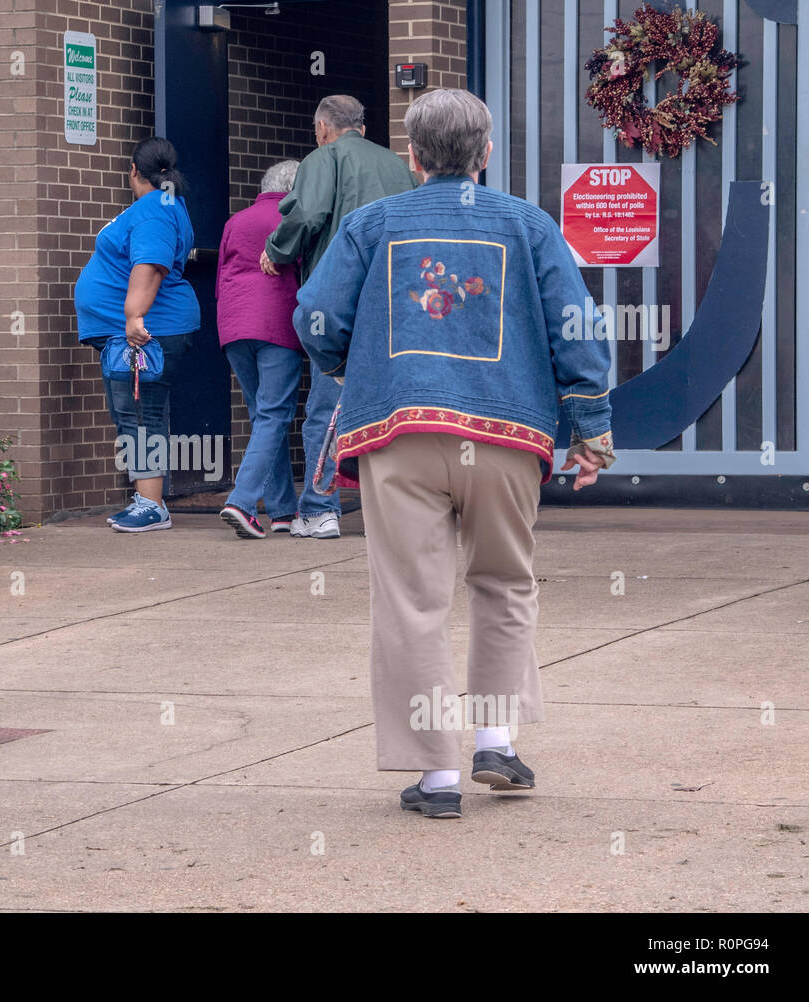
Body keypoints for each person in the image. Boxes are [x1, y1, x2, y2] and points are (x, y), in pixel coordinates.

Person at [293, 88, 617, 819]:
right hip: (506, 433)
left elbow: (315, 315)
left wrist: (353, 363)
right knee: (504, 582)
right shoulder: (529, 225)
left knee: (412, 601)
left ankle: (437, 780)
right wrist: (590, 429)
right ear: (486, 152)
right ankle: (496, 741)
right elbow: (578, 327)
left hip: (399, 433)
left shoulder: (371, 224)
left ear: (413, 156)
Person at [261, 94, 416, 539]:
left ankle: (319, 506)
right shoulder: (396, 165)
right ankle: (394, 511)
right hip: (396, 304)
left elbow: (307, 214)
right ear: (363, 129)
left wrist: (276, 250)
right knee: (392, 409)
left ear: (322, 129)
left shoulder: (322, 158)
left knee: (327, 408)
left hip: (340, 303)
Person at [74, 137, 201, 532]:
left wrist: (133, 316)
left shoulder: (154, 209)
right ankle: (149, 500)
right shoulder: (163, 205)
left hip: (146, 331)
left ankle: (150, 504)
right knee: (138, 411)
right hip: (142, 330)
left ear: (133, 170)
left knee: (139, 412)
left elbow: (150, 265)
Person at [215, 160, 304, 539]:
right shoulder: (294, 218)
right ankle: (242, 501)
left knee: (264, 417)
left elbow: (221, 273)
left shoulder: (236, 221)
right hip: (275, 324)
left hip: (233, 325)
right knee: (273, 416)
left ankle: (282, 510)